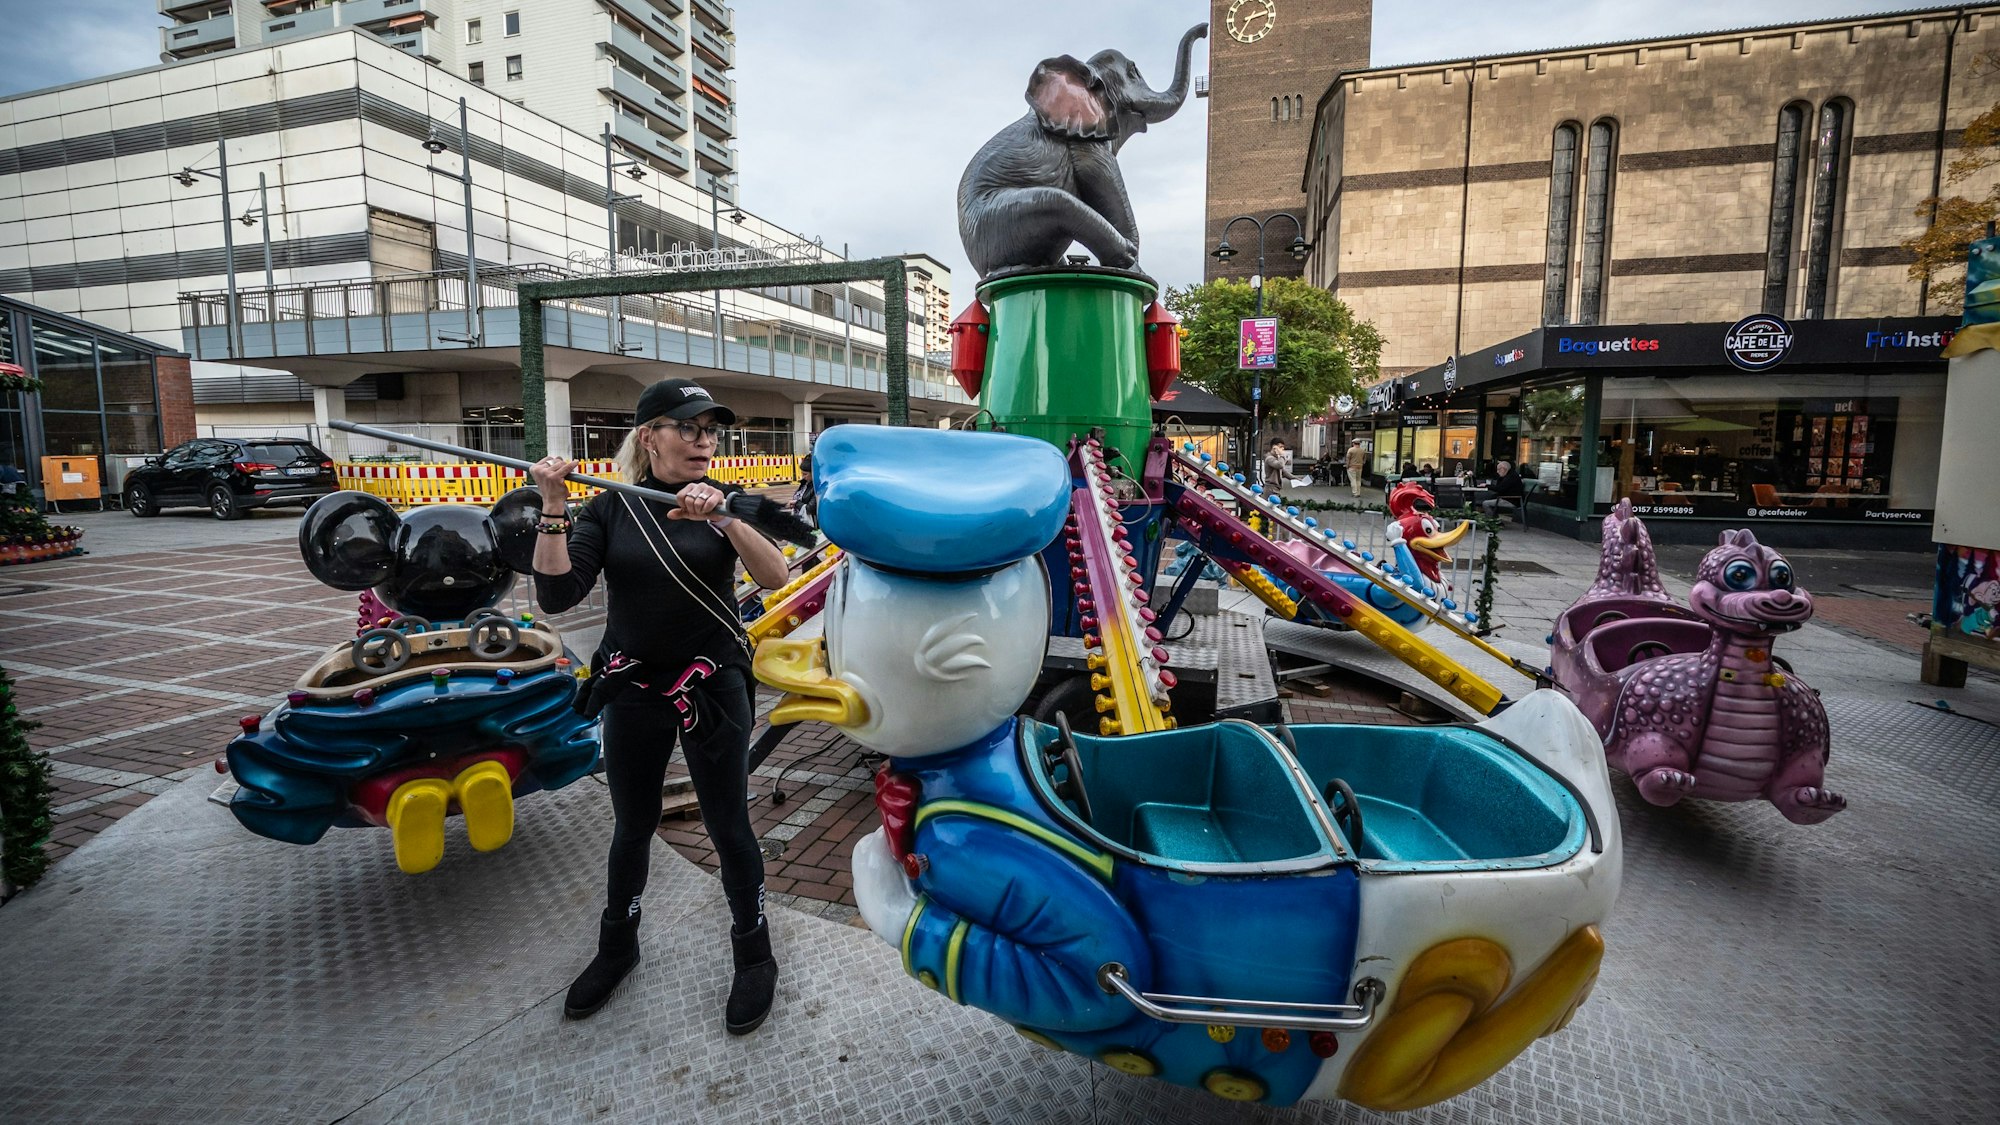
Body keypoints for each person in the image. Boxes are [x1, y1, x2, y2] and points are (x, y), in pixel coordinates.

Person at [531, 378, 793, 1033]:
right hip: (635, 686)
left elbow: (776, 577)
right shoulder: (611, 509)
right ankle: (618, 944)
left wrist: (726, 517)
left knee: (728, 823)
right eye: (689, 426)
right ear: (650, 436)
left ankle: (754, 953)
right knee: (633, 823)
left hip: (713, 685)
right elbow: (556, 596)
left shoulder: (725, 502)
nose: (705, 439)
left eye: (711, 429)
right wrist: (555, 502)